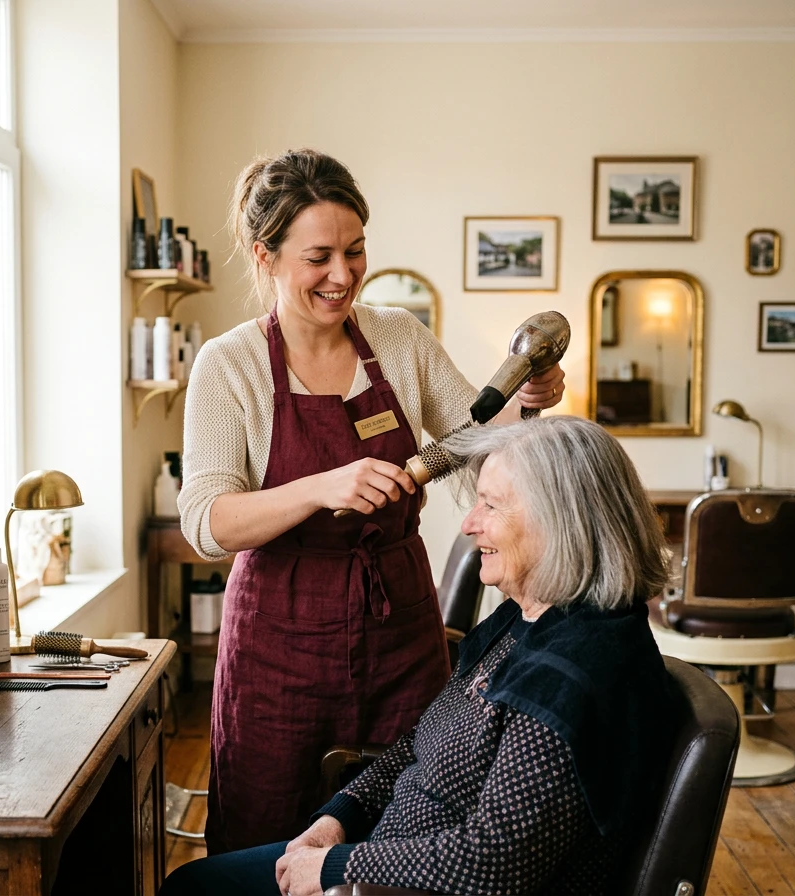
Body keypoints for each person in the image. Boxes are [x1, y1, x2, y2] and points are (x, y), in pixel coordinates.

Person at [178, 148, 565, 853]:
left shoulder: (397, 338)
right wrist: (321, 486)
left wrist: (529, 403)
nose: (342, 275)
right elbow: (208, 523)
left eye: (355, 252)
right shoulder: (228, 364)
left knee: (410, 821)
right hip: (279, 642)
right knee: (269, 829)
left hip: (401, 628)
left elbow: (480, 441)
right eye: (318, 256)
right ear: (265, 256)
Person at [162, 416, 680, 896]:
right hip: (378, 857)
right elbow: (420, 744)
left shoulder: (571, 677)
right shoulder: (522, 624)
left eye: (491, 506)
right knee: (195, 885)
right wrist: (339, 816)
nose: (469, 524)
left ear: (562, 521)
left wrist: (336, 867)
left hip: (397, 885)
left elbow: (493, 861)